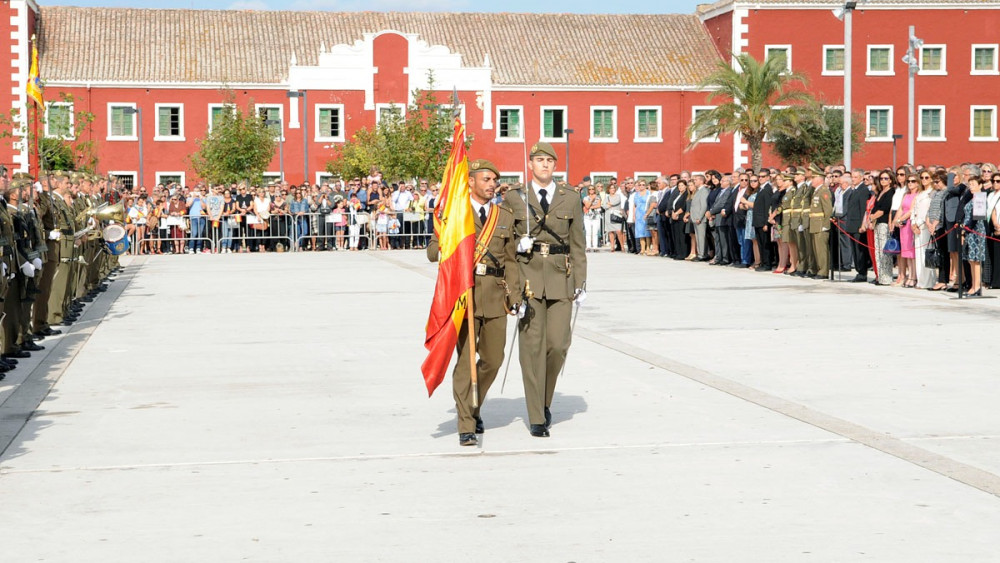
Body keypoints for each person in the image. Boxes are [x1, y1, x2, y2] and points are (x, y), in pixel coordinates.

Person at [426, 159, 519, 447]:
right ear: (471, 182)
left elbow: (511, 259)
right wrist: (448, 241)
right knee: (466, 362)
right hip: (463, 298)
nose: (492, 185)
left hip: (494, 295)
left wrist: (514, 294)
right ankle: (466, 422)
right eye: (486, 179)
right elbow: (432, 252)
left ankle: (473, 405)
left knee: (493, 359)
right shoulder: (455, 214)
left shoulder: (504, 215)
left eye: (495, 180)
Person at [506, 142, 587, 438]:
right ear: (530, 164)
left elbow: (578, 242)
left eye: (549, 161)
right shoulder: (514, 197)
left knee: (557, 345)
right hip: (527, 277)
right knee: (531, 348)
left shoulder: (570, 197)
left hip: (560, 277)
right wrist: (517, 246)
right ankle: (536, 415)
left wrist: (581, 281)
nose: (544, 165)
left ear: (555, 165)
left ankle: (545, 399)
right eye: (539, 160)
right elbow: (504, 244)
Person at [962, 173, 986, 297]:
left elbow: (977, 217)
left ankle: (977, 286)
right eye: (969, 184)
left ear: (980, 185)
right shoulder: (971, 197)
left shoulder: (980, 197)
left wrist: (967, 228)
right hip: (969, 232)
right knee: (971, 260)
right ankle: (973, 285)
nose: (971, 187)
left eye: (973, 184)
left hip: (976, 231)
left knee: (976, 260)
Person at [869, 170, 895, 285]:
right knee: (878, 251)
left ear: (890, 180)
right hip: (877, 224)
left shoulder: (891, 192)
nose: (883, 180)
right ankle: (880, 276)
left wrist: (872, 217)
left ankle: (886, 277)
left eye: (886, 178)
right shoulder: (880, 192)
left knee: (885, 252)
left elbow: (884, 208)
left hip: (884, 223)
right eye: (881, 178)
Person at [603, 185, 625, 252]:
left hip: (616, 215)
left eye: (613, 188)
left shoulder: (618, 196)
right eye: (611, 188)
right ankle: (612, 247)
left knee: (619, 231)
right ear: (608, 189)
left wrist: (610, 204)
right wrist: (608, 205)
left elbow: (616, 202)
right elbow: (604, 205)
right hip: (608, 216)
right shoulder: (607, 197)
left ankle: (622, 246)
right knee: (611, 232)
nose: (612, 189)